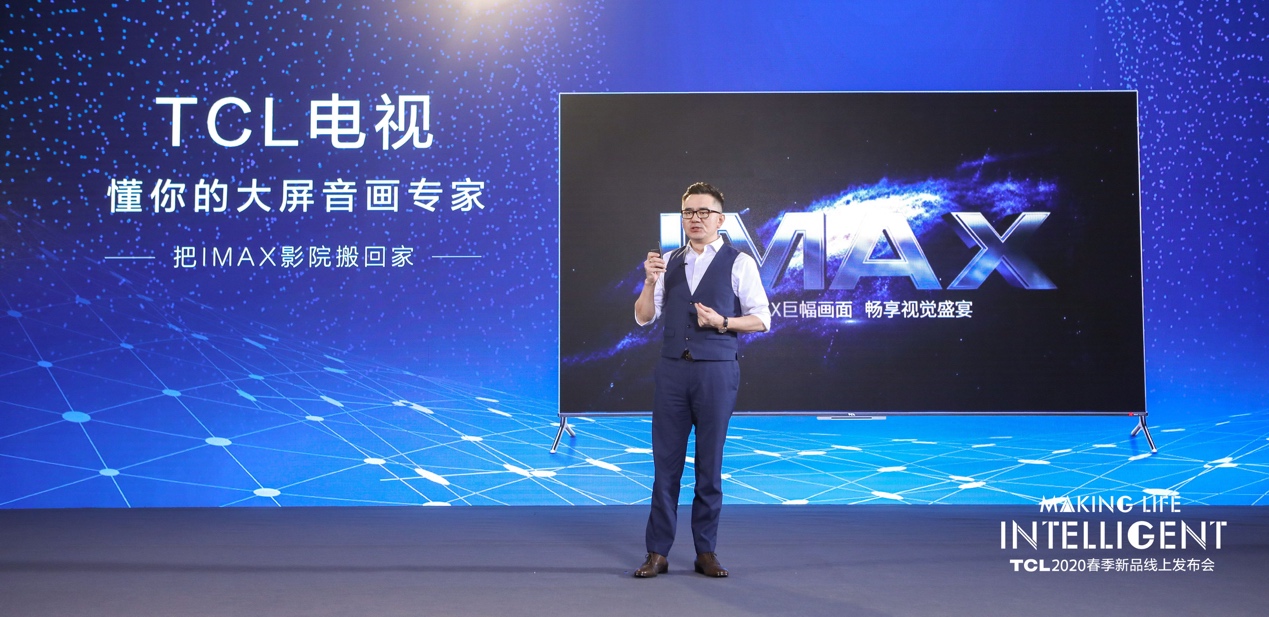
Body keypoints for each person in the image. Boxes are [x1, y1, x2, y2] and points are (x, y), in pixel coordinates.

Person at [632, 182, 771, 578]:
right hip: (672, 372)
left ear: (720, 219)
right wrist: (649, 282)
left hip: (716, 372)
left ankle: (705, 552)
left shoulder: (739, 262)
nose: (695, 218)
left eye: (703, 212)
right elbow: (643, 317)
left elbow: (762, 318)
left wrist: (723, 322)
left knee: (709, 466)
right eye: (689, 212)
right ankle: (657, 552)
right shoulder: (668, 262)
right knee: (665, 467)